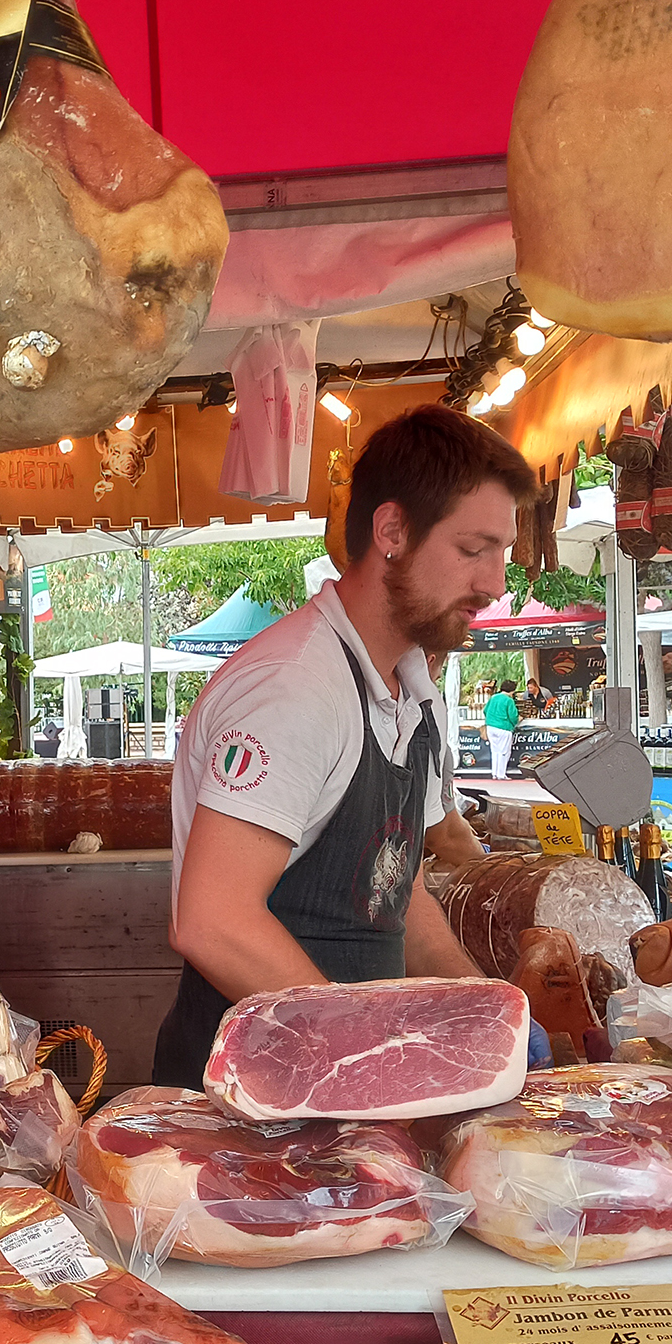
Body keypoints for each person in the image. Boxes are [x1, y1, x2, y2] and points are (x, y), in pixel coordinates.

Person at [153, 403, 529, 1089]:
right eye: (474, 550)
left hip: (333, 1095)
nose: (495, 584)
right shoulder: (298, 687)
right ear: (392, 530)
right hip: (245, 1107)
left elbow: (396, 890)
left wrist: (491, 1020)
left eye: (500, 552)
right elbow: (212, 919)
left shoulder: (411, 693)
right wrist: (361, 1061)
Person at [483, 679, 521, 777]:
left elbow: (485, 710)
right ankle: (501, 774)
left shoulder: (493, 697)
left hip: (490, 727)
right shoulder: (509, 700)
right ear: (512, 690)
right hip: (503, 728)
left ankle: (494, 773)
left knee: (495, 751)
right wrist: (516, 722)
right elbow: (513, 716)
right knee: (504, 752)